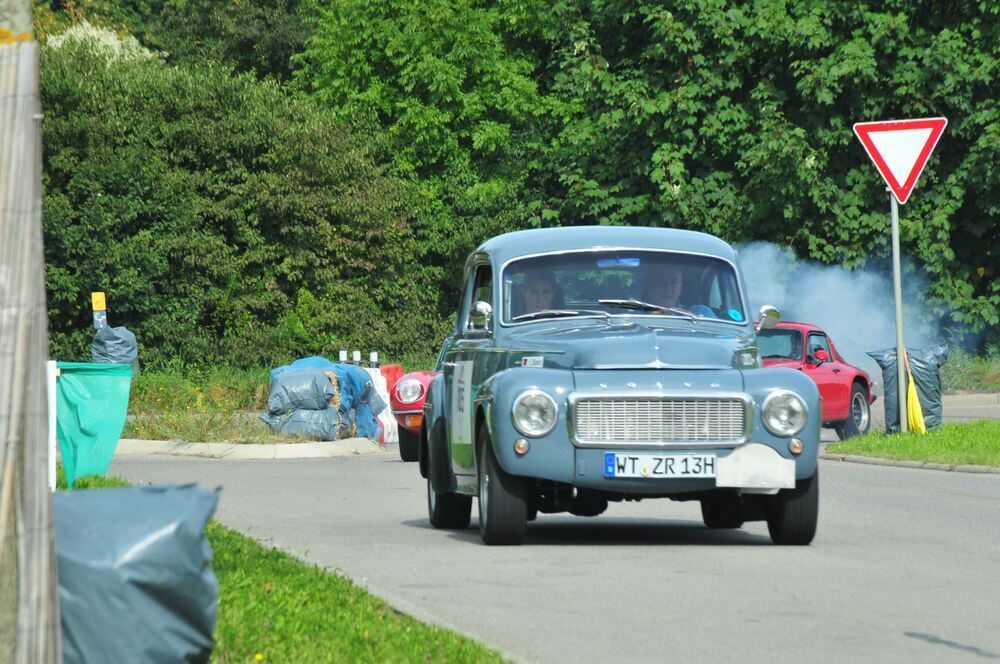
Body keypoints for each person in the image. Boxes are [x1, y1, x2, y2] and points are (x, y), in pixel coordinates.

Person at [643, 264, 715, 318]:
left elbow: (716, 334)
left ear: (680, 287)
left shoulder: (700, 312)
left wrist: (693, 319)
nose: (668, 288)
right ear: (648, 285)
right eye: (660, 281)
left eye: (674, 282)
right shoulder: (633, 313)